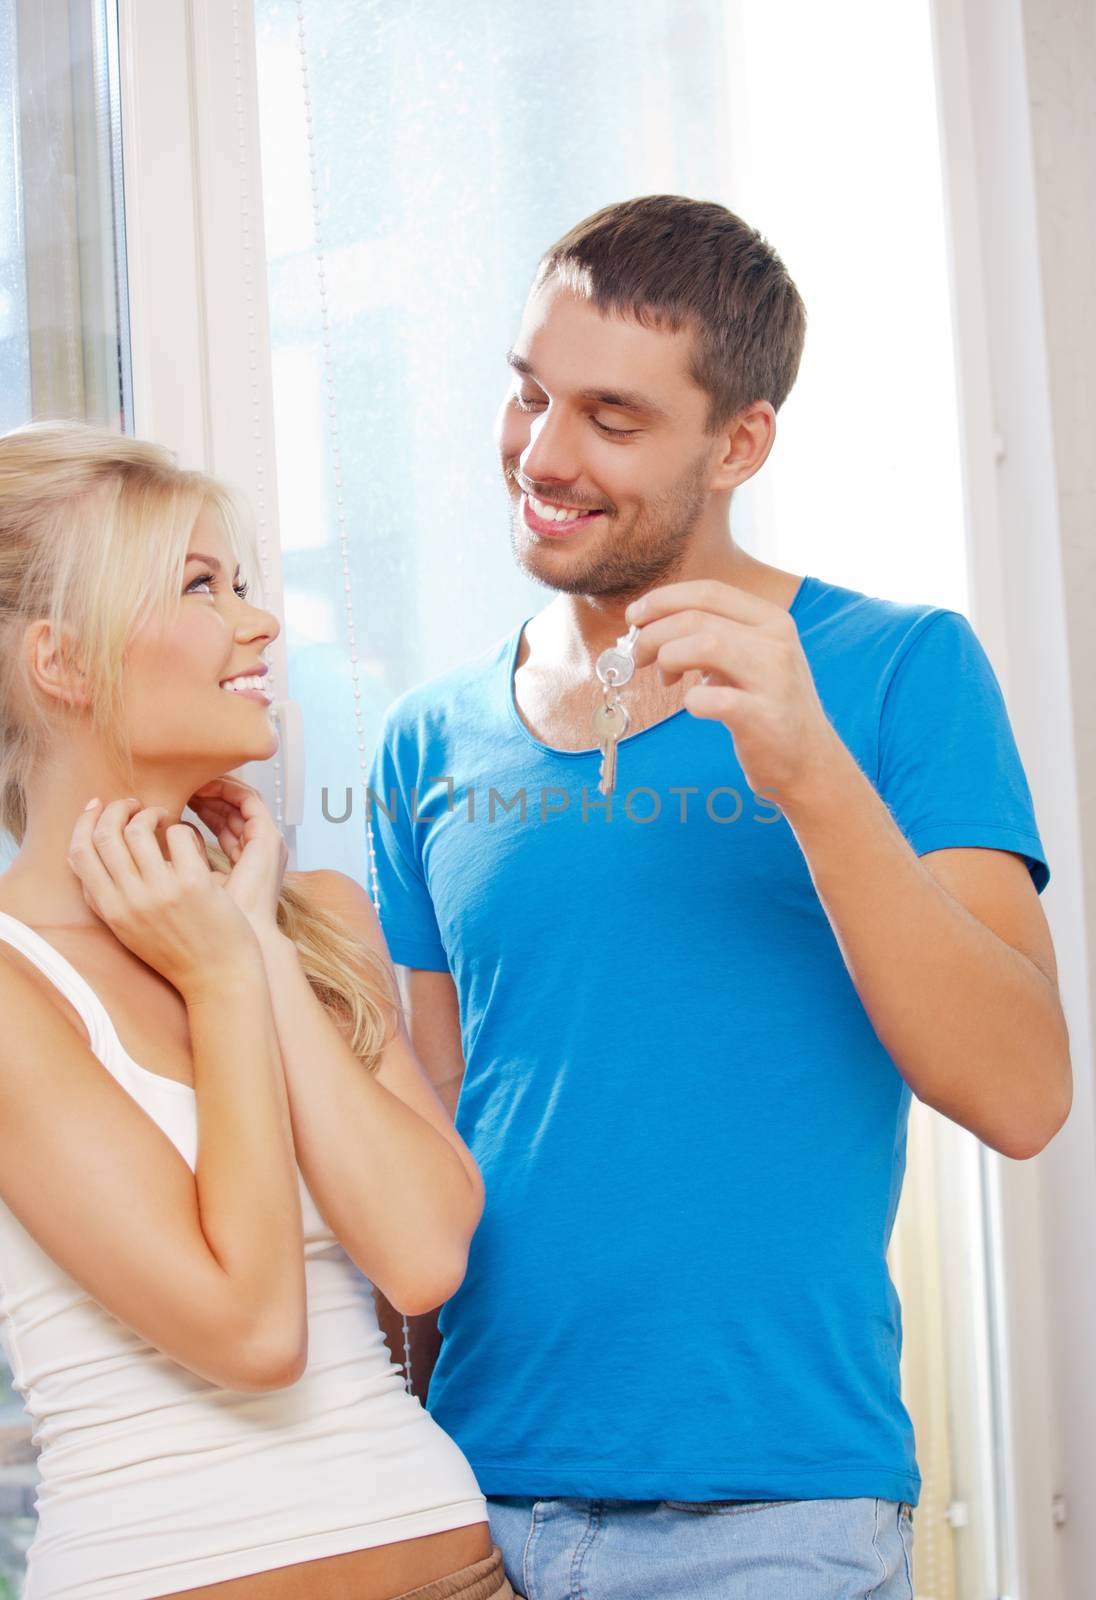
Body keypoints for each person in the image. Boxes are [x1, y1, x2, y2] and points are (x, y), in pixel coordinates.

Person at [366, 195, 1073, 1599]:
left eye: (614, 419)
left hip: (772, 1518)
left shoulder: (892, 672)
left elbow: (1022, 1094)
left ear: (739, 442)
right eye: (528, 395)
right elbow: (427, 1152)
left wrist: (808, 770)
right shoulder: (425, 742)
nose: (545, 455)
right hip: (467, 1501)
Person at [0, 422, 519, 1600]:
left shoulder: (315, 912)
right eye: (200, 586)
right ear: (62, 665)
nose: (259, 623)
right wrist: (224, 977)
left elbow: (424, 1254)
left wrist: (262, 955)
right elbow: (251, 1329)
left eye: (243, 583)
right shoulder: (11, 985)